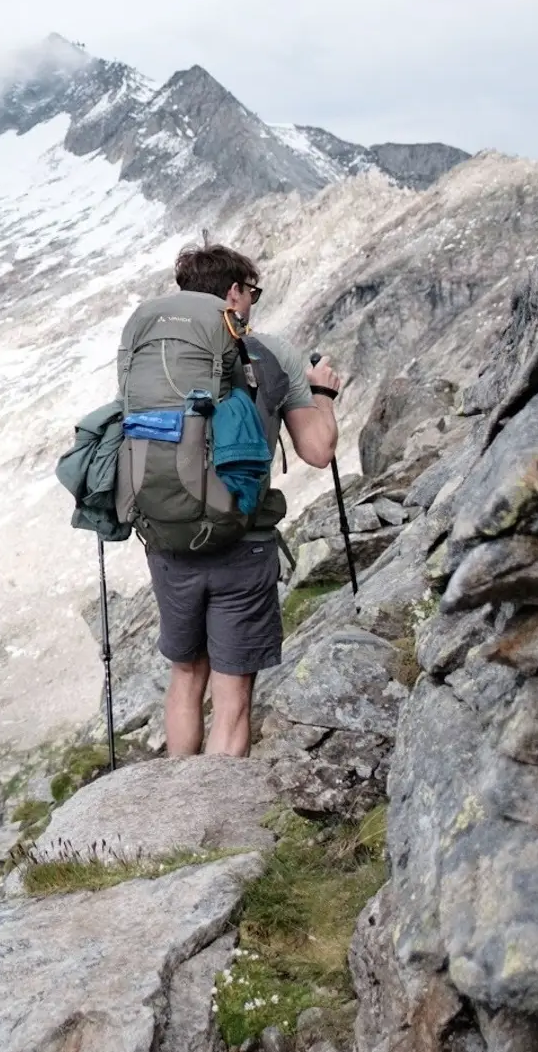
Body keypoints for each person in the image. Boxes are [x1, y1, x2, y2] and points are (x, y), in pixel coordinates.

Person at [137, 243, 342, 759]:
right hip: (243, 545)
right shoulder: (273, 355)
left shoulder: (159, 359)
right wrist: (323, 394)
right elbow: (318, 451)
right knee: (232, 698)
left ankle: (173, 815)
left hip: (169, 542)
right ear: (234, 293)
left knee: (185, 675)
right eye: (252, 290)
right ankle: (211, 831)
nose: (253, 299)